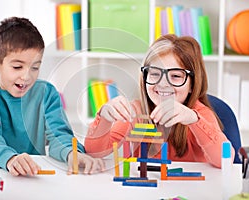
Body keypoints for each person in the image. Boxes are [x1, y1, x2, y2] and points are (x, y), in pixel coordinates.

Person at [0, 17, 105, 176]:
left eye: (35, 67)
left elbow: (59, 135)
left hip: (36, 177)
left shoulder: (46, 94)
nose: (27, 76)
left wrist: (72, 154)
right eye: (17, 67)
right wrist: (11, 159)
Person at [84, 34, 235, 168]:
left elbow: (224, 160)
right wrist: (104, 118)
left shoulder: (199, 114)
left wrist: (194, 120)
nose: (163, 84)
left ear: (192, 84)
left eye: (176, 76)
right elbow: (94, 152)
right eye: (155, 74)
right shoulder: (136, 112)